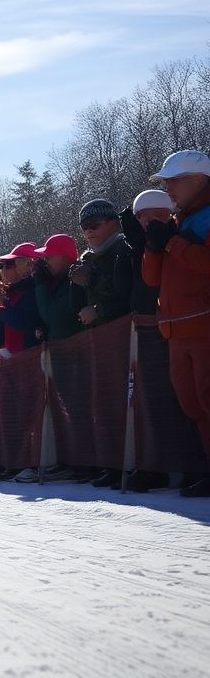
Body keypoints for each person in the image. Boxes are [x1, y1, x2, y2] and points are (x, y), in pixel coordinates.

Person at [142, 150, 210, 497]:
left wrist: (171, 242)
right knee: (193, 405)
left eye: (174, 180)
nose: (167, 188)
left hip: (203, 328)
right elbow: (151, 279)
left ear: (198, 180)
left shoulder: (204, 219)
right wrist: (154, 246)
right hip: (177, 331)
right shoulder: (180, 222)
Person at [69, 199, 133, 328]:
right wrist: (76, 284)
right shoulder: (86, 260)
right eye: (84, 227)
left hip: (131, 333)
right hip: (101, 336)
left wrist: (100, 310)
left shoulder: (127, 249)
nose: (88, 231)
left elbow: (134, 298)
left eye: (94, 225)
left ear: (114, 223)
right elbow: (77, 312)